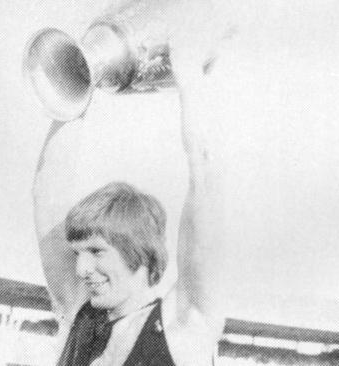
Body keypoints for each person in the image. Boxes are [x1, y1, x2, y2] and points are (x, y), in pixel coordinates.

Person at [32, 9, 229, 365]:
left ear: (138, 251)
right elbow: (48, 195)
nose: (81, 269)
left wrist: (188, 78)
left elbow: (204, 177)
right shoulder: (81, 315)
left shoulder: (185, 323)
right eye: (78, 252)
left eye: (96, 251)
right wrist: (75, 86)